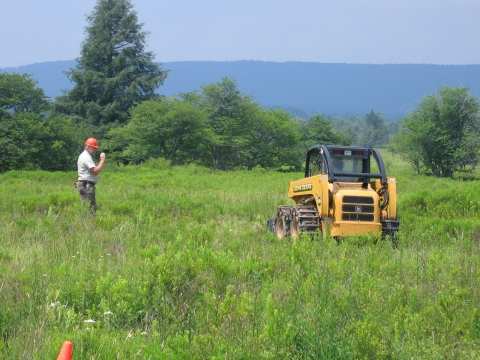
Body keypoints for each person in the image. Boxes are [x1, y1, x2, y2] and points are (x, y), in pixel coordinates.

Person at [76, 138, 106, 211]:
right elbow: (95, 171)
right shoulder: (86, 157)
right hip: (86, 185)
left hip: (86, 184)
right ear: (89, 147)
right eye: (94, 148)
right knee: (91, 209)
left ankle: (87, 221)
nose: (95, 150)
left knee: (89, 207)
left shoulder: (85, 156)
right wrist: (102, 161)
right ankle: (90, 222)